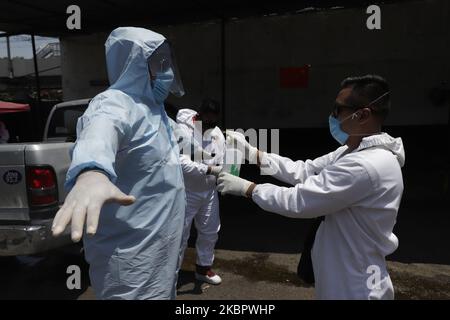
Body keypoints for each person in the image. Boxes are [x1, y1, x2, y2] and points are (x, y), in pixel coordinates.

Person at [217, 75, 405, 300]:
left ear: (362, 114)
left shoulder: (365, 165)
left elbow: (299, 202)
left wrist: (248, 188)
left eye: (338, 109)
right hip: (343, 273)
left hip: (355, 286)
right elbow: (305, 171)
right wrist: (253, 153)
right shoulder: (351, 152)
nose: (332, 116)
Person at [52, 27, 186, 300]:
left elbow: (180, 142)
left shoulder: (155, 111)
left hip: (163, 250)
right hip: (130, 258)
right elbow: (100, 134)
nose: (166, 70)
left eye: (167, 62)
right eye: (158, 63)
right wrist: (91, 171)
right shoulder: (114, 104)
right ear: (133, 64)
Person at [176, 99, 225, 285]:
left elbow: (222, 159)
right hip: (187, 191)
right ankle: (171, 274)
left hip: (209, 191)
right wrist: (208, 169)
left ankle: (203, 269)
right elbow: (180, 162)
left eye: (214, 119)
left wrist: (227, 172)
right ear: (198, 115)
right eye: (208, 118)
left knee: (210, 231)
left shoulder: (216, 132)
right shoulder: (183, 131)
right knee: (180, 234)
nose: (211, 123)